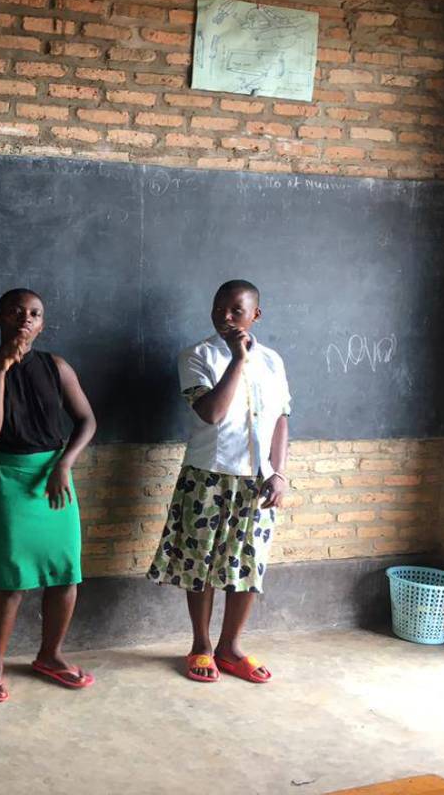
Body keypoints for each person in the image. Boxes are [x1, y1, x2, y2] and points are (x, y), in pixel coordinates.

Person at [146, 279, 290, 684]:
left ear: (255, 315)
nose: (225, 318)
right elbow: (211, 412)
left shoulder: (274, 362)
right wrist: (237, 360)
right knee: (201, 565)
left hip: (257, 481)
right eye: (218, 309)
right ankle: (201, 646)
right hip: (207, 476)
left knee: (248, 565)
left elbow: (281, 419)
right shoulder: (196, 356)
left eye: (236, 311)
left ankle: (231, 647)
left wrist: (279, 473)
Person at [0, 288, 97, 703]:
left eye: (35, 314)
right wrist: (3, 371)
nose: (26, 319)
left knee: (65, 572)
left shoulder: (56, 366)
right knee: (10, 581)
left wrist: (64, 464)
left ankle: (50, 655)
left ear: (42, 323)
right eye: (16, 312)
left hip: (53, 476)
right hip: (6, 478)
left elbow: (88, 420)